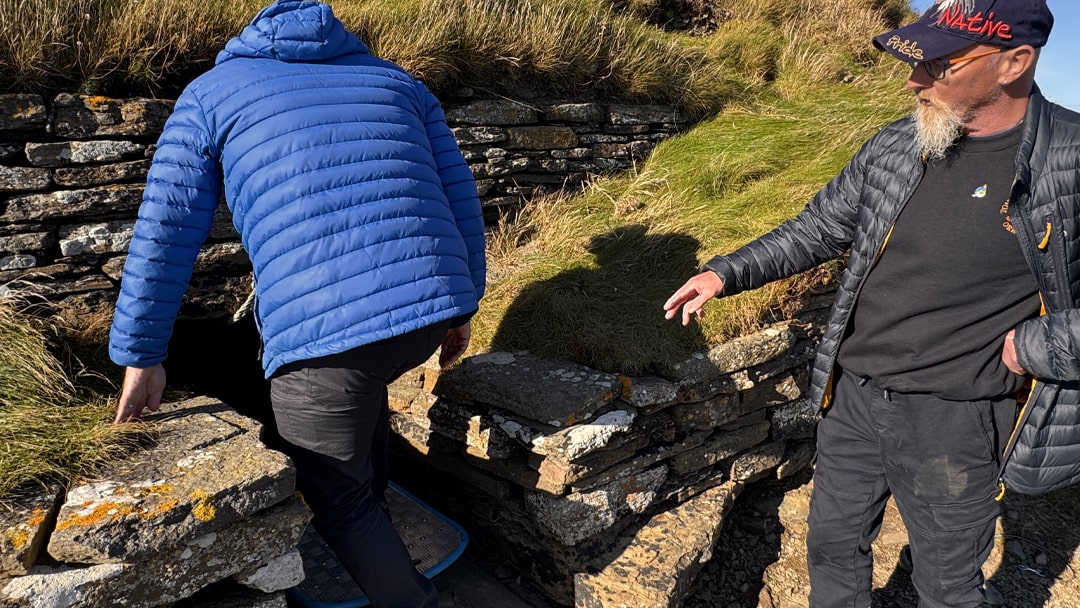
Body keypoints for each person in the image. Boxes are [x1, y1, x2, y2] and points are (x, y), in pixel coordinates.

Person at [664, 1, 1080, 607]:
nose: (913, 80)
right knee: (832, 547)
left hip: (957, 417)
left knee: (947, 584)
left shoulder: (1071, 160)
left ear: (1014, 62)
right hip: (853, 397)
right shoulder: (898, 144)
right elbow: (820, 227)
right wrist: (725, 272)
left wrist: (1036, 347)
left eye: (937, 64)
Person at [108, 1, 486, 606]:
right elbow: (459, 195)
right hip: (427, 310)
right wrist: (463, 306)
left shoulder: (212, 94)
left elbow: (165, 231)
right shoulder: (397, 82)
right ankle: (378, 511)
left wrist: (141, 352)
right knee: (360, 388)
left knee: (337, 495)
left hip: (324, 336)